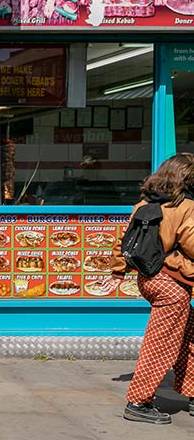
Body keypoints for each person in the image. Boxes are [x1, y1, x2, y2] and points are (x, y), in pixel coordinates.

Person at [111, 152, 194, 424]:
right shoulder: (185, 206)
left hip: (149, 279)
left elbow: (124, 241)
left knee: (188, 336)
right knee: (161, 344)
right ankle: (139, 402)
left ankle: (191, 391)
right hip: (172, 285)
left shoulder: (145, 203)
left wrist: (117, 271)